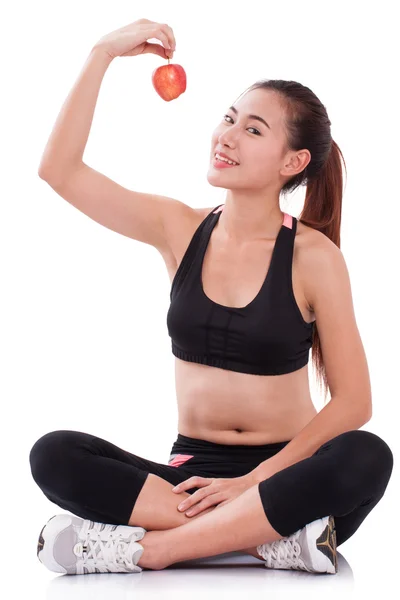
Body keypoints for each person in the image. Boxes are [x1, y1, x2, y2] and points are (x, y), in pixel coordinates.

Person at [30, 18, 394, 576]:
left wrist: (253, 482)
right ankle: (268, 542)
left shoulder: (313, 256)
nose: (226, 135)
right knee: (54, 454)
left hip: (285, 473)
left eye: (253, 130)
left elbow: (354, 403)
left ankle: (155, 549)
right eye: (228, 118)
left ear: (292, 162)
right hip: (191, 479)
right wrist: (103, 52)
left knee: (366, 457)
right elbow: (59, 170)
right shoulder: (178, 227)